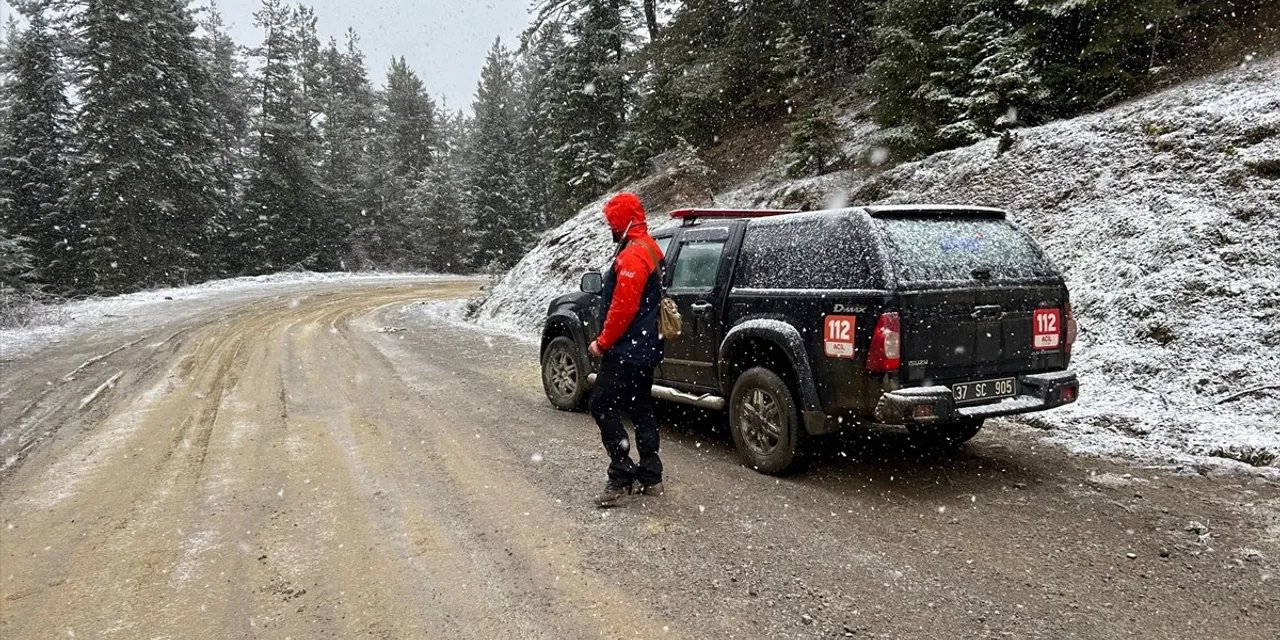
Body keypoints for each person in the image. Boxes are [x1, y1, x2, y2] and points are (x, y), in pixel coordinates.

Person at [589, 192, 665, 508]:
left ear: (622, 222)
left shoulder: (633, 255)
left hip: (627, 350)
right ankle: (651, 475)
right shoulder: (650, 247)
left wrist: (602, 342)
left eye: (612, 222)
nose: (610, 228)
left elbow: (623, 308)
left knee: (601, 403)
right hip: (646, 346)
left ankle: (621, 474)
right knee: (640, 406)